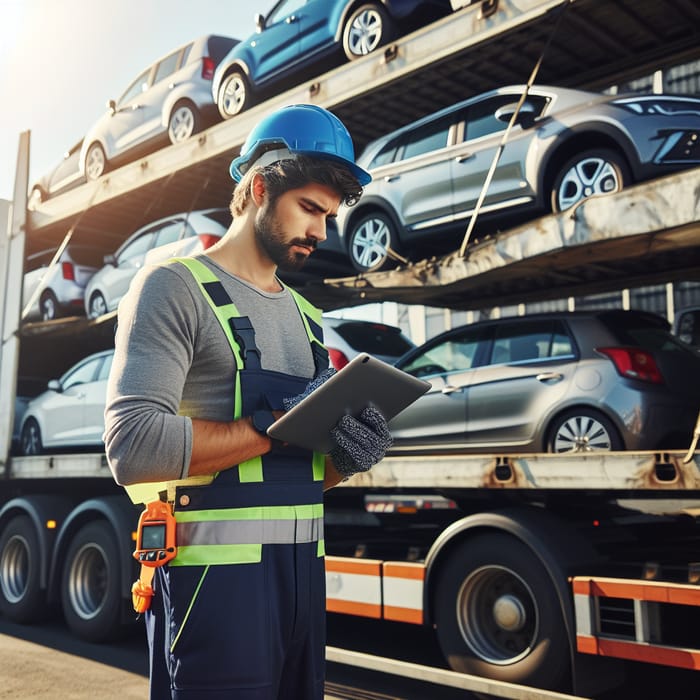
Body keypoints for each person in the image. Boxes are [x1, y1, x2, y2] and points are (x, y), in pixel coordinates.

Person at [103, 104, 393, 699]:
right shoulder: (175, 288)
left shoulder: (310, 320)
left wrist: (346, 456)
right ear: (260, 185)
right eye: (309, 209)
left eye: (329, 216)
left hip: (303, 590)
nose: (320, 230)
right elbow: (132, 447)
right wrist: (276, 424)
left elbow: (298, 472)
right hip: (214, 593)